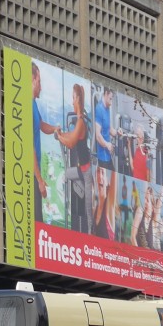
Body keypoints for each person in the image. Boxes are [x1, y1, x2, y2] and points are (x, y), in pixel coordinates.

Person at [56, 83, 92, 234]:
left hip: (87, 173)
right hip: (79, 171)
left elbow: (71, 143)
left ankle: (91, 237)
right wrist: (60, 134)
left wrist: (59, 136)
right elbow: (70, 136)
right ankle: (71, 208)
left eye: (73, 98)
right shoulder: (78, 122)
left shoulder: (81, 122)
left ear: (78, 99)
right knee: (63, 177)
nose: (71, 101)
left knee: (88, 211)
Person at [31, 62, 58, 224]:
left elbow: (41, 125)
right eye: (39, 82)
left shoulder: (33, 103)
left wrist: (55, 129)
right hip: (31, 174)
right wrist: (40, 179)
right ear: (33, 80)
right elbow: (30, 148)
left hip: (35, 172)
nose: (41, 87)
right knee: (36, 221)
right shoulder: (27, 103)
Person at [93, 87, 115, 170]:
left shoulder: (107, 108)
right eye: (110, 98)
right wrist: (107, 144)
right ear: (105, 94)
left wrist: (118, 133)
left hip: (108, 155)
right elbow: (98, 136)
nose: (111, 102)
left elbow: (109, 129)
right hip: (103, 157)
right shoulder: (99, 109)